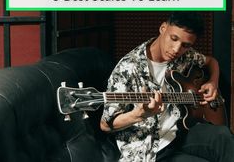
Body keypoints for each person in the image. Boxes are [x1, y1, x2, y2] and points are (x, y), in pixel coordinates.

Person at [100, 12, 234, 162]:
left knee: (224, 136)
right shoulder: (128, 68)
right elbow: (106, 125)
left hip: (182, 128)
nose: (177, 49)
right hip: (152, 147)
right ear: (163, 28)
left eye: (186, 45)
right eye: (174, 38)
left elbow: (211, 62)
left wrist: (213, 82)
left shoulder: (184, 55)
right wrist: (139, 114)